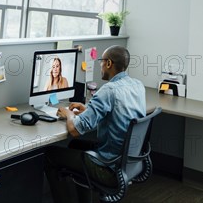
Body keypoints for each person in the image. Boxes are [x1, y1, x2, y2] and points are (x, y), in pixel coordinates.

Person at [44, 45, 146, 203]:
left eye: (101, 61)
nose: (100, 65)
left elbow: (75, 130)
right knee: (74, 145)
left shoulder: (108, 90)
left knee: (49, 153)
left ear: (109, 63)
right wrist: (88, 109)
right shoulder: (138, 85)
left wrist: (68, 114)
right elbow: (119, 113)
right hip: (129, 162)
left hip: (109, 168)